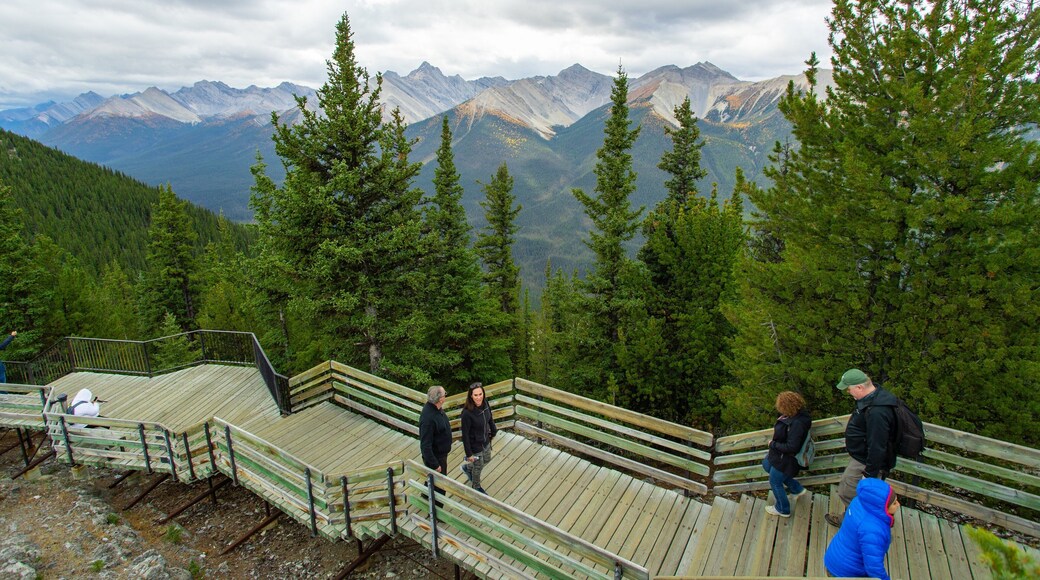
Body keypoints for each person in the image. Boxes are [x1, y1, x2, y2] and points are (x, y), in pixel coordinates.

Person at [826, 368, 899, 527]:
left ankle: (864, 523)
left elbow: (878, 445)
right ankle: (851, 519)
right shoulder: (874, 398)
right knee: (853, 491)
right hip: (862, 457)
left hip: (866, 462)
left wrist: (869, 474)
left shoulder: (877, 411)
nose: (848, 391)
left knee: (848, 492)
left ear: (859, 387)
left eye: (849, 388)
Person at [824, 477, 900, 580]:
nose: (898, 505)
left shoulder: (859, 501)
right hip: (846, 572)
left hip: (835, 555)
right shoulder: (873, 530)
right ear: (882, 506)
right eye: (894, 503)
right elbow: (874, 568)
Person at [762, 390, 811, 517]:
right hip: (781, 455)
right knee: (767, 464)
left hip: (787, 459)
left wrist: (772, 444)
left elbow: (792, 447)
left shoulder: (797, 423)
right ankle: (797, 489)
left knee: (775, 482)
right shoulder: (798, 416)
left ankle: (782, 509)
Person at [460, 382, 497, 494]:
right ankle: (476, 486)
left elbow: (490, 418)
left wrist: (493, 429)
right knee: (479, 465)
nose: (478, 397)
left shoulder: (485, 404)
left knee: (487, 459)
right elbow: (465, 435)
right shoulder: (467, 413)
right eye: (475, 395)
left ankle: (468, 468)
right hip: (474, 444)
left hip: (485, 439)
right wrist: (469, 454)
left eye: (480, 394)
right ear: (471, 396)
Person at [419, 385, 451, 475]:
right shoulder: (428, 419)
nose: (445, 396)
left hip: (441, 455)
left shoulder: (437, 408)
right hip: (436, 458)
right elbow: (425, 446)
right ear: (440, 399)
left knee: (436, 484)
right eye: (445, 394)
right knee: (438, 486)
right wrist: (435, 465)